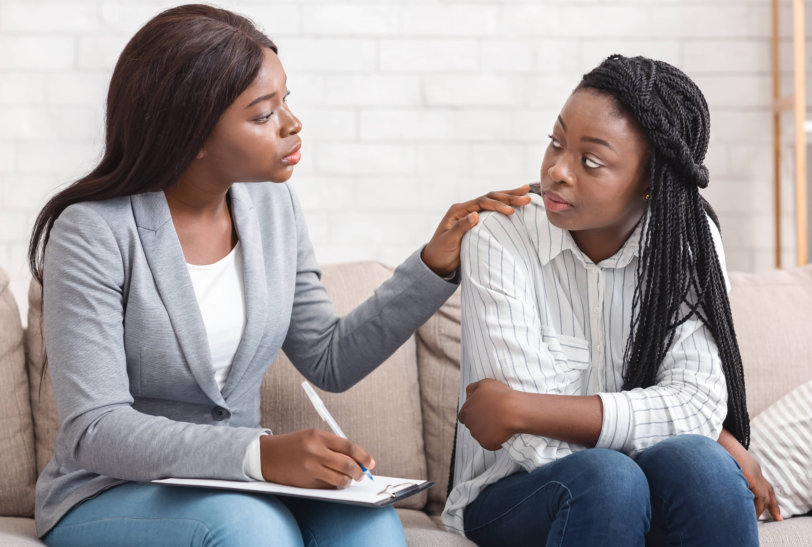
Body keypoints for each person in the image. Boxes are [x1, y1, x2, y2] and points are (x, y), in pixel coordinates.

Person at [27, 5, 531, 546]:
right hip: (111, 488)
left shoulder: (272, 208)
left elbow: (328, 357)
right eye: (263, 114)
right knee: (252, 530)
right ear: (191, 130)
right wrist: (257, 454)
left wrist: (434, 263)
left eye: (284, 100)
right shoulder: (92, 231)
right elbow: (95, 428)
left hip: (238, 486)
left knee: (371, 526)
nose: (292, 123)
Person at [443, 55, 779, 546]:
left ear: (649, 183)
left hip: (634, 483)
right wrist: (674, 424)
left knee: (704, 469)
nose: (557, 170)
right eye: (556, 142)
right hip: (511, 491)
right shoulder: (499, 236)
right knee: (612, 479)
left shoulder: (688, 240)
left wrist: (522, 408)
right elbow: (529, 443)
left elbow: (697, 403)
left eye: (591, 161)